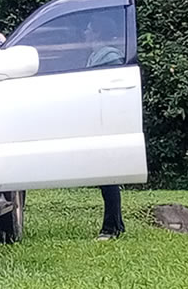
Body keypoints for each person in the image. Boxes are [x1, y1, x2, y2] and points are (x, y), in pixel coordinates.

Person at [83, 13, 126, 240]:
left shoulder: (109, 58)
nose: (85, 33)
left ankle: (110, 227)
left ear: (98, 32)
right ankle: (116, 223)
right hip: (99, 121)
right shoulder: (97, 56)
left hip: (107, 122)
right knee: (107, 177)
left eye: (89, 29)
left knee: (108, 177)